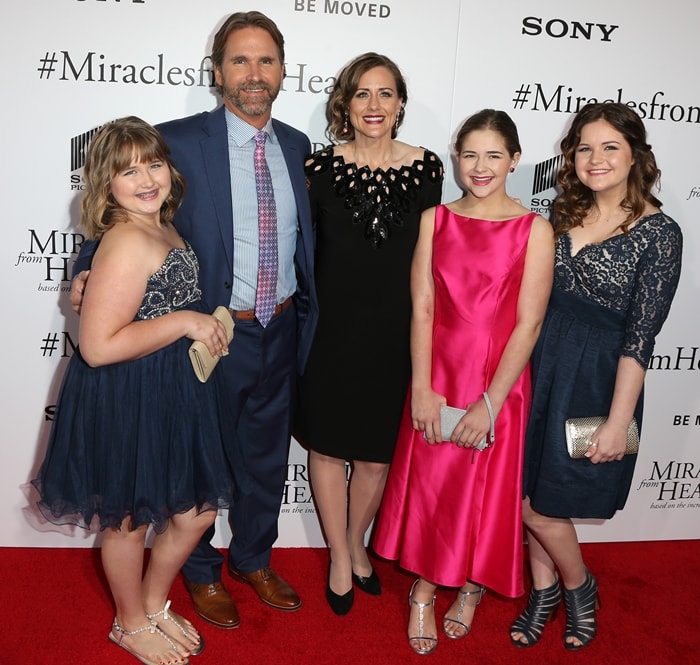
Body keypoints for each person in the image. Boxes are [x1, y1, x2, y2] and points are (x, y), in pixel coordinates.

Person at [70, 11, 319, 628]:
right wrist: (84, 270)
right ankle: (202, 574)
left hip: (279, 327)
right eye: (240, 61)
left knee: (265, 458)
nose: (253, 74)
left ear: (283, 71)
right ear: (217, 73)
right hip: (208, 335)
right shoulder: (176, 140)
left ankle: (254, 557)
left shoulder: (296, 144)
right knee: (202, 467)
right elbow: (120, 208)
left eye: (266, 61)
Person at [34, 116, 235, 665]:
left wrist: (196, 325)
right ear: (105, 184)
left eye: (153, 163)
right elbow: (98, 346)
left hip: (170, 390)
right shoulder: (125, 237)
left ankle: (150, 603)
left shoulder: (161, 223)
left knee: (194, 512)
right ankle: (128, 623)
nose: (146, 178)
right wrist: (186, 323)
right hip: (128, 394)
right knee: (130, 520)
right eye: (127, 171)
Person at [373, 109, 554, 655]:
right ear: (456, 158)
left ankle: (471, 587)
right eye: (469, 154)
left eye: (493, 155)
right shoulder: (436, 220)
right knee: (435, 485)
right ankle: (425, 590)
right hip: (439, 372)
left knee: (483, 489)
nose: (479, 167)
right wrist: (423, 386)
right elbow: (422, 306)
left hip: (499, 382)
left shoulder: (534, 229)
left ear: (515, 160)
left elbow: (530, 324)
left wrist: (490, 404)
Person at [510, 102, 682, 651]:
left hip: (596, 378)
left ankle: (579, 585)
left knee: (546, 502)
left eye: (610, 146)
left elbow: (641, 339)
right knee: (525, 492)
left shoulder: (661, 233)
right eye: (584, 146)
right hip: (538, 363)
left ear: (636, 155)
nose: (595, 158)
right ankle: (543, 590)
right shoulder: (561, 213)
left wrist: (618, 420)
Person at [293, 52, 443, 616]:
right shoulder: (319, 168)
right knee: (329, 451)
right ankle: (338, 554)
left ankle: (357, 543)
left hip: (396, 335)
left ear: (400, 103)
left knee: (378, 458)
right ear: (345, 104)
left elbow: (433, 262)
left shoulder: (428, 169)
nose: (374, 105)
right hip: (330, 332)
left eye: (385, 94)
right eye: (362, 94)